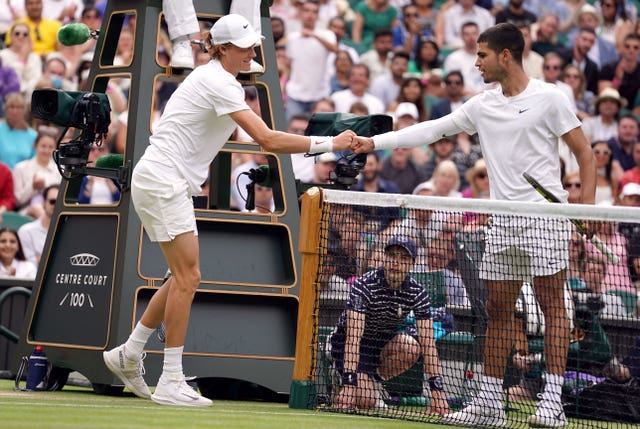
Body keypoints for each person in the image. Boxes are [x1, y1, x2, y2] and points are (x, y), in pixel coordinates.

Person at [352, 23, 597, 427]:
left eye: (482, 55)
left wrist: (587, 210)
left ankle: (551, 403)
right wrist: (374, 142)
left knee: (554, 308)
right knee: (498, 310)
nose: (476, 62)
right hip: (502, 222)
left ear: (505, 55)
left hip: (545, 218)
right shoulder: (483, 105)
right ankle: (488, 402)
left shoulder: (551, 98)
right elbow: (431, 130)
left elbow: (584, 155)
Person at [102, 13, 355, 407]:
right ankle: (170, 380)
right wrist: (329, 143)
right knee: (189, 277)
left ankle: (129, 353)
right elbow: (268, 139)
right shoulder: (218, 81)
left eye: (253, 44)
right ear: (222, 49)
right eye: (245, 46)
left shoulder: (217, 79)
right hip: (164, 180)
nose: (253, 51)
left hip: (163, 180)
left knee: (179, 276)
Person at [329, 235, 449, 414]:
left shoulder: (417, 293)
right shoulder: (364, 286)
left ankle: (373, 382)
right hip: (349, 343)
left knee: (412, 347)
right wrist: (349, 384)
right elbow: (353, 339)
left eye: (403, 258)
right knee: (365, 400)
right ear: (384, 258)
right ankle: (342, 378)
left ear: (412, 264)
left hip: (382, 343)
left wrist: (437, 392)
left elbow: (428, 344)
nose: (396, 262)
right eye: (392, 255)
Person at [18, 184, 58, 264]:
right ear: (44, 203)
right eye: (53, 201)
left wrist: (41, 258)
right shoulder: (26, 231)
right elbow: (28, 263)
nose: (57, 205)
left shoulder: (71, 232)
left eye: (61, 202)